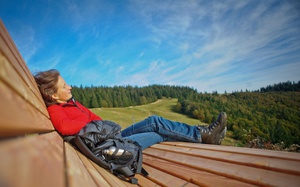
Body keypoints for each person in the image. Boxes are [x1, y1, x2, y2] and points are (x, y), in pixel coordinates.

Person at [34, 69, 227, 150]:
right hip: (110, 147)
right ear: (53, 94)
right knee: (158, 132)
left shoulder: (72, 103)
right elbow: (65, 127)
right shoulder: (56, 110)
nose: (70, 87)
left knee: (154, 121)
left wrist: (100, 124)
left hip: (112, 137)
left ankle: (201, 134)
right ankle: (203, 135)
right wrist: (94, 124)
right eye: (65, 86)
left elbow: (96, 118)